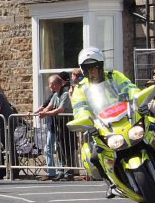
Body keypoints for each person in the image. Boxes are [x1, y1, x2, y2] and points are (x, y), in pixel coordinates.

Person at [70, 47, 140, 194]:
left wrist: (139, 100)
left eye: (95, 67)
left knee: (154, 125)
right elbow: (80, 108)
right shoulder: (81, 89)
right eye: (88, 68)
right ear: (83, 70)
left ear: (101, 65)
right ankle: (111, 183)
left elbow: (130, 87)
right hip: (103, 126)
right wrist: (87, 122)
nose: (92, 71)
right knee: (93, 155)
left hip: (126, 118)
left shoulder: (114, 76)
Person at [36, 75, 70, 181]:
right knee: (54, 148)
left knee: (64, 149)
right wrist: (42, 112)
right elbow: (49, 107)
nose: (49, 87)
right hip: (56, 124)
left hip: (65, 124)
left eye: (50, 85)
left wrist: (45, 114)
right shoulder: (55, 95)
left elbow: (60, 109)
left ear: (55, 85)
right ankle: (56, 171)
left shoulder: (65, 94)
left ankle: (65, 172)